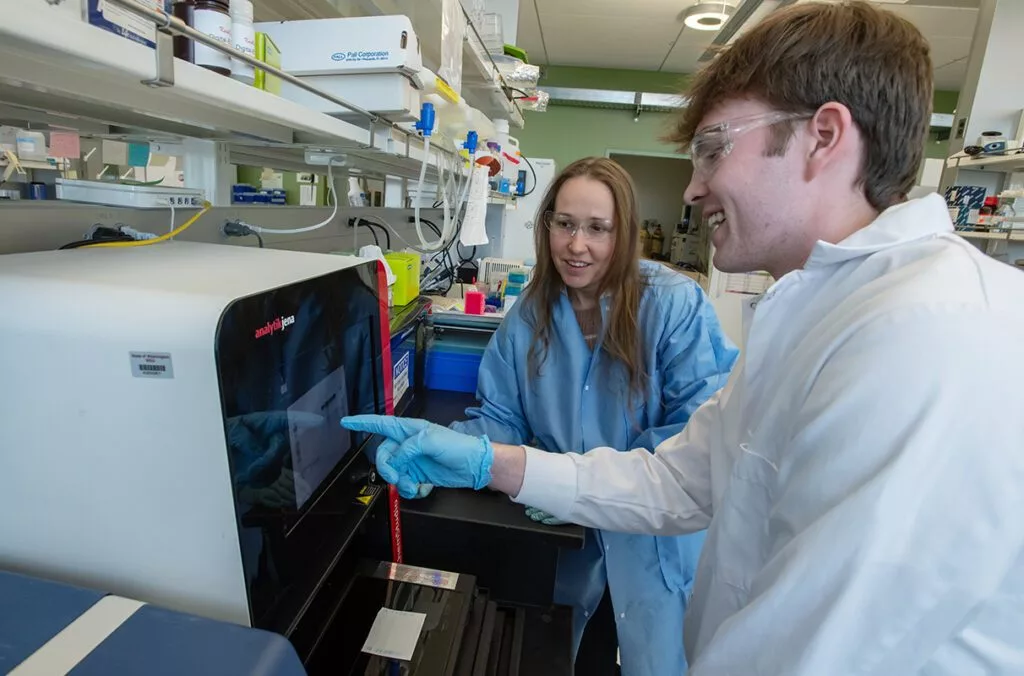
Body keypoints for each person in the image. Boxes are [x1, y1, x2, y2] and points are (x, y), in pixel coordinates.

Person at [345, 1, 1024, 673]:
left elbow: (824, 651)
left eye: (713, 149)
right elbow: (679, 479)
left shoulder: (929, 337)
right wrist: (488, 462)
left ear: (823, 137)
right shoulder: (820, 313)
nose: (694, 188)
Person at [419, 157, 738, 675]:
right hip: (569, 550)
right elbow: (501, 417)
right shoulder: (528, 315)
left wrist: (576, 482)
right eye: (564, 224)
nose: (576, 245)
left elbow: (698, 434)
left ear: (625, 233)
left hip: (657, 548)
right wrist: (444, 450)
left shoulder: (674, 305)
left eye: (597, 229)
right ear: (546, 224)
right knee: (568, 656)